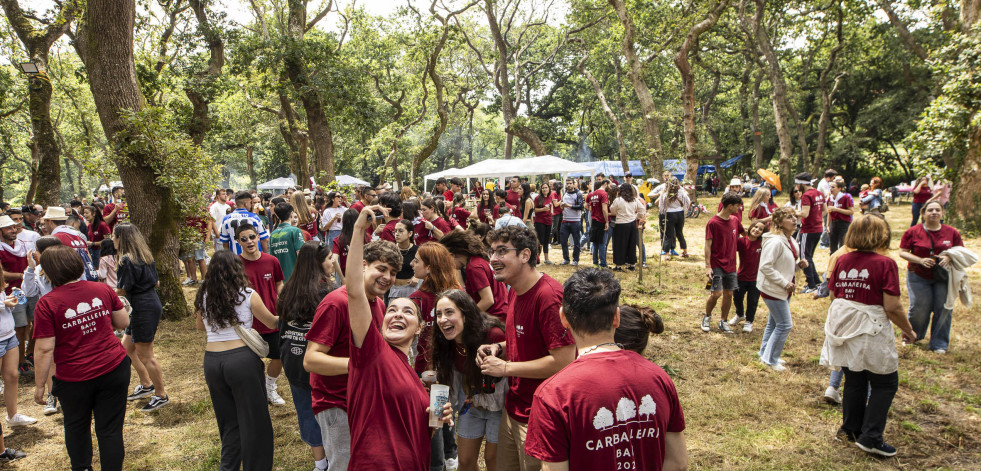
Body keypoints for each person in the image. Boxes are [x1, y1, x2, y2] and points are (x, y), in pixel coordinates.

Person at [524, 268, 688, 471]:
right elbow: (678, 463)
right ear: (616, 318)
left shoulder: (552, 395)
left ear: (563, 318)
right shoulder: (659, 378)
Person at [344, 207, 453, 470]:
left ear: (419, 328)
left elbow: (422, 428)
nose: (397, 315)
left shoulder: (413, 375)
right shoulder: (373, 351)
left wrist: (437, 415)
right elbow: (356, 292)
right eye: (391, 310)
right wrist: (359, 230)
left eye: (407, 311)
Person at [476, 226, 575, 470]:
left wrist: (505, 368)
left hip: (540, 416)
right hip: (514, 408)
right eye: (491, 251)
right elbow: (526, 341)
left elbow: (563, 362)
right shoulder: (515, 291)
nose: (493, 259)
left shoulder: (549, 296)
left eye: (502, 251)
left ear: (525, 255)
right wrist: (498, 348)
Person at [819, 215, 917, 457]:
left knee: (854, 377)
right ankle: (871, 437)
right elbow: (892, 306)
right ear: (882, 235)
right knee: (885, 382)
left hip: (845, 327)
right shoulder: (885, 263)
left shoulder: (842, 260)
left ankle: (850, 429)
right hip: (870, 327)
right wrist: (908, 329)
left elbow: (833, 295)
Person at [303, 235, 401, 471]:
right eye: (382, 268)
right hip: (337, 404)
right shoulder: (336, 302)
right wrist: (358, 364)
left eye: (393, 272)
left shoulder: (378, 304)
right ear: (363, 265)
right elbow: (311, 359)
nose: (387, 277)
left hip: (367, 402)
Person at [31, 246, 131, 471]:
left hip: (74, 378)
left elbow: (44, 349)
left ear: (48, 272)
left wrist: (40, 386)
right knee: (110, 430)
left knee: (76, 427)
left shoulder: (47, 303)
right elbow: (123, 322)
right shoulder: (101, 289)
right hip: (113, 367)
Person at [194, 250, 279, 470]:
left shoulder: (204, 293)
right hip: (241, 360)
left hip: (212, 361)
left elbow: (199, 326)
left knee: (228, 423)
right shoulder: (247, 293)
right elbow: (271, 323)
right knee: (254, 421)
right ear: (236, 269)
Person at [431, 290, 506, 471]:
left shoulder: (493, 335)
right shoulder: (445, 342)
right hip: (471, 404)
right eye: (439, 314)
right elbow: (444, 380)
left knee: (493, 460)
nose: (442, 319)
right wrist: (437, 415)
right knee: (464, 462)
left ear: (465, 313)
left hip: (502, 405)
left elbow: (513, 371)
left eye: (449, 312)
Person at [277, 242, 333, 471]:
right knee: (329, 412)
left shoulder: (288, 289)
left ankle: (320, 463)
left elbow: (280, 324)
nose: (333, 261)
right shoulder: (327, 293)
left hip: (292, 359)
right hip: (320, 364)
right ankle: (333, 456)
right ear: (319, 263)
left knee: (305, 410)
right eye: (330, 258)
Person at [114, 224, 169, 411]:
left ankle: (161, 395)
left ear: (121, 238)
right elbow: (156, 282)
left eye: (114, 237)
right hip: (148, 302)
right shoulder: (146, 256)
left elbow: (122, 288)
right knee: (126, 348)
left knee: (146, 355)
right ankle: (147, 384)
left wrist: (108, 298)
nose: (112, 240)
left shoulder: (126, 261)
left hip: (141, 307)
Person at [899, 201, 964, 353]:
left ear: (942, 213)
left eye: (937, 210)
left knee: (943, 307)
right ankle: (913, 336)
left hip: (943, 276)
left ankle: (939, 343)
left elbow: (960, 251)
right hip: (918, 274)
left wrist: (949, 256)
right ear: (923, 214)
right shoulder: (913, 232)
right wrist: (920, 260)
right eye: (930, 210)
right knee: (919, 307)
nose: (934, 212)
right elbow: (902, 251)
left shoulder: (952, 232)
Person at [235, 224, 287, 406]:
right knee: (250, 361)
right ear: (237, 242)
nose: (249, 241)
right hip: (247, 324)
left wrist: (283, 300)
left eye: (252, 237)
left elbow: (279, 283)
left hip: (272, 318)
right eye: (244, 238)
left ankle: (270, 387)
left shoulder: (271, 261)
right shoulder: (235, 265)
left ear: (258, 237)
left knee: (278, 356)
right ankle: (254, 392)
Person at [757, 207, 807, 371]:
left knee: (774, 323)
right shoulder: (775, 241)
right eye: (788, 217)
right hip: (773, 289)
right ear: (778, 222)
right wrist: (784, 283)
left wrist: (798, 266)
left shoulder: (791, 239)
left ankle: (765, 353)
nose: (794, 220)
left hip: (785, 288)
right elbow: (766, 267)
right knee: (785, 324)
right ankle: (770, 360)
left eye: (794, 217)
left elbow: (785, 265)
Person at [409, 242, 462, 374]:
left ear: (428, 268)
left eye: (416, 261)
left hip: (446, 369)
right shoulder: (459, 293)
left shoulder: (418, 299)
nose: (411, 264)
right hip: (448, 368)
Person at [440, 231, 509, 321]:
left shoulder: (473, 267)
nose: (447, 265)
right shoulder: (478, 261)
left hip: (495, 317)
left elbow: (488, 300)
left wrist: (466, 318)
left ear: (451, 255)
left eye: (445, 260)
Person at [702, 193, 742, 334]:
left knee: (729, 293)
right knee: (716, 293)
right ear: (730, 205)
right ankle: (707, 317)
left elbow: (745, 235)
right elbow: (708, 245)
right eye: (737, 205)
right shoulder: (713, 222)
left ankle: (723, 321)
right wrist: (708, 266)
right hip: (717, 264)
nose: (739, 208)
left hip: (731, 264)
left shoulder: (735, 220)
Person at [729, 221, 766, 333]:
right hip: (741, 276)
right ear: (750, 228)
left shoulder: (763, 243)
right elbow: (729, 250)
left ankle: (749, 321)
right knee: (737, 297)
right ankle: (740, 314)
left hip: (756, 279)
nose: (756, 230)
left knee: (752, 301)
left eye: (760, 229)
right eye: (755, 227)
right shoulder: (741, 241)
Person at [795, 172, 825, 294]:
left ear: (802, 183)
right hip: (818, 229)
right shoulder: (819, 193)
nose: (796, 186)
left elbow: (805, 213)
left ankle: (811, 285)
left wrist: (792, 212)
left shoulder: (806, 195)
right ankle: (817, 282)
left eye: (797, 184)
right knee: (809, 257)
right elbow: (825, 211)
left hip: (808, 230)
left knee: (804, 257)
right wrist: (817, 218)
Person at [609, 183, 645, 271]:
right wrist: (637, 217)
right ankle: (632, 264)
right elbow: (642, 209)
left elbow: (612, 209)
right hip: (632, 224)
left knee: (619, 245)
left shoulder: (618, 200)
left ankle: (619, 265)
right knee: (631, 244)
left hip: (621, 224)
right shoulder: (635, 200)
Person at [269, 203, 306, 280]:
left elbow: (272, 259)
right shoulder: (295, 231)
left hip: (279, 279)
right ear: (291, 214)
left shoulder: (272, 234)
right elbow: (302, 254)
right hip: (295, 278)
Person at [331, 209, 370, 283]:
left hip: (348, 276)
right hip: (364, 275)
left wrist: (342, 278)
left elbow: (334, 260)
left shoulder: (339, 239)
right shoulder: (366, 236)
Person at [658, 177, 690, 260]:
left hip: (669, 214)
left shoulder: (665, 193)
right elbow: (688, 201)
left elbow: (661, 206)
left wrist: (663, 213)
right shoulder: (682, 192)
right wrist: (685, 210)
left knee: (668, 234)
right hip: (680, 214)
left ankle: (667, 255)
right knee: (680, 233)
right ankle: (685, 251)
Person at [389, 220, 420, 301]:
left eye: (401, 231)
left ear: (410, 233)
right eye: (395, 231)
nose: (397, 234)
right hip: (394, 289)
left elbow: (427, 268)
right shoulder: (390, 250)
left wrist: (417, 277)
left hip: (412, 288)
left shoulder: (417, 250)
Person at [558, 177, 585, 266]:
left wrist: (569, 205)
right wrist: (562, 206)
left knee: (576, 241)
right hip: (565, 220)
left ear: (574, 184)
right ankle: (566, 259)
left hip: (575, 221)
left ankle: (576, 259)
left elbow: (581, 207)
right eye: (567, 183)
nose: (569, 185)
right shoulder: (565, 193)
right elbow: (562, 204)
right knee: (563, 241)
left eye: (570, 183)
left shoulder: (578, 194)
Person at [585, 180, 610, 267]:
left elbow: (586, 205)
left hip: (594, 220)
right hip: (601, 220)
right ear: (605, 184)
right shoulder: (604, 194)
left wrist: (591, 210)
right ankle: (603, 263)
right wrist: (607, 221)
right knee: (602, 243)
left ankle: (595, 262)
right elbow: (604, 209)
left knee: (595, 242)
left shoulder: (592, 194)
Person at [826, 180, 854, 254]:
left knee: (843, 245)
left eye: (833, 187)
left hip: (844, 223)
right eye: (830, 187)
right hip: (833, 223)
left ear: (839, 188)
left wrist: (836, 209)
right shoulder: (830, 198)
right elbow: (829, 212)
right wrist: (828, 225)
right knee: (832, 246)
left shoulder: (845, 197)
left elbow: (851, 211)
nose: (831, 189)